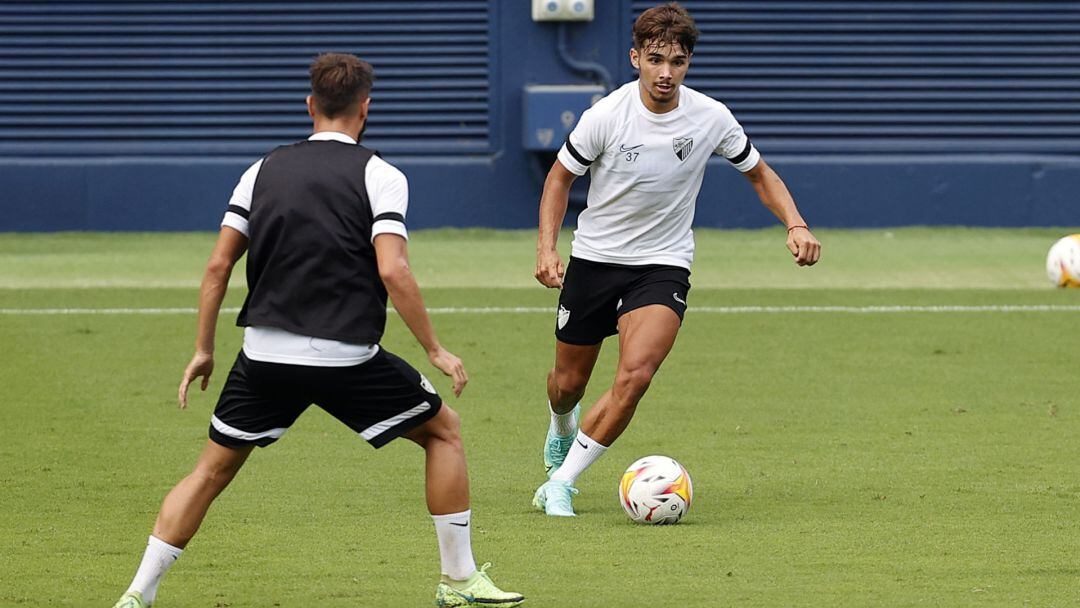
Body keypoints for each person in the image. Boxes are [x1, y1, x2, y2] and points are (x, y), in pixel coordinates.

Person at [112, 53, 523, 607]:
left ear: (310, 106)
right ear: (365, 109)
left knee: (209, 472)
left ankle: (138, 594)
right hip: (344, 358)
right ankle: (458, 581)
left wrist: (204, 350)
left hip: (262, 355)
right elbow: (392, 268)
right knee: (443, 431)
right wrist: (436, 349)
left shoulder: (261, 170)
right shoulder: (382, 174)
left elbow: (217, 267)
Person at [532, 3, 821, 517]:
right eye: (656, 59)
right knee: (568, 383)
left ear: (688, 64)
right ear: (635, 58)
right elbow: (559, 177)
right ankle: (560, 425)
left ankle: (562, 482)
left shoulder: (711, 117)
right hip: (596, 259)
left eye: (678, 62)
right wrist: (546, 248)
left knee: (636, 375)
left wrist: (795, 223)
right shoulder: (606, 115)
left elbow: (759, 173)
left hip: (662, 263)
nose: (666, 73)